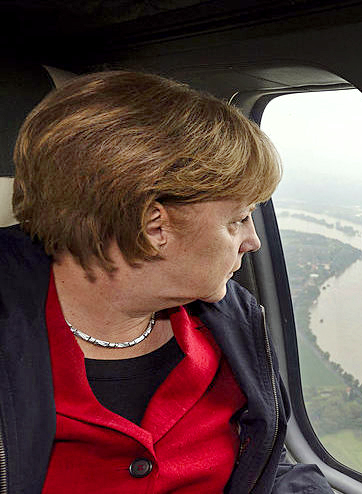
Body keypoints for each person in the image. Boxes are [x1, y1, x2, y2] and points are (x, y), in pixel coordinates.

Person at [0, 71, 333, 493]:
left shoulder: (233, 324)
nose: (253, 241)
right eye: (237, 220)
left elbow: (263, 464)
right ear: (152, 226)